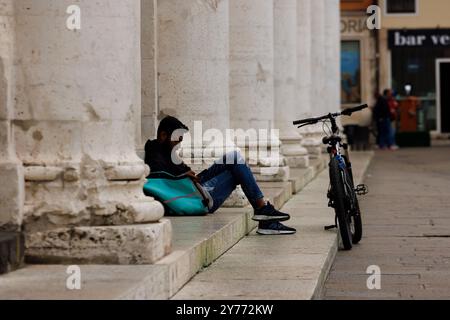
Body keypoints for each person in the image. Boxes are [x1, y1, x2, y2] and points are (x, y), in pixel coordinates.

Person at [145, 116, 297, 235]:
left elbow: (180, 171)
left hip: (195, 187)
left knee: (233, 157)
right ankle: (262, 211)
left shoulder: (167, 152)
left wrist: (187, 173)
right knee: (236, 162)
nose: (178, 145)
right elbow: (160, 175)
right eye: (177, 140)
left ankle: (264, 217)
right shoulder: (154, 151)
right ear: (164, 135)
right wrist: (184, 173)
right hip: (197, 198)